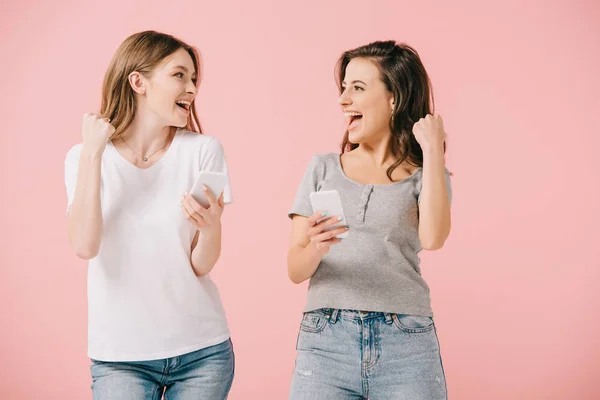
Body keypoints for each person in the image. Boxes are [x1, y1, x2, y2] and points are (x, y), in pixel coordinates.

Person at [64, 30, 234, 399]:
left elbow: (201, 264)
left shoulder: (203, 151)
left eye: (193, 79)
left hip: (202, 352)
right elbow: (84, 245)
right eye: (179, 75)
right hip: (120, 357)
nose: (191, 88)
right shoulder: (82, 157)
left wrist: (212, 227)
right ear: (138, 81)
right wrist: (94, 153)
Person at [287, 40, 453, 400]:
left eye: (357, 88)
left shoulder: (427, 174)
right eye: (343, 88)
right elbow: (295, 269)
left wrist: (432, 153)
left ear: (394, 98)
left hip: (406, 342)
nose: (343, 99)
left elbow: (434, 237)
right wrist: (316, 247)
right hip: (326, 340)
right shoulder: (322, 167)